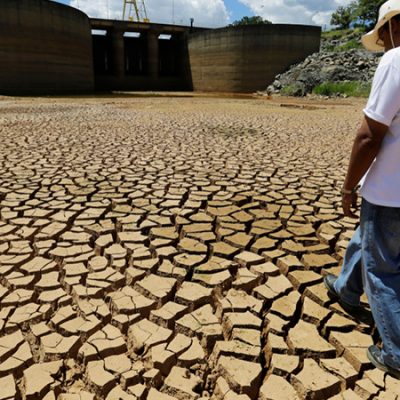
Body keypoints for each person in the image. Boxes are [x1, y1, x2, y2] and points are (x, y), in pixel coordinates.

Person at [324, 0, 400, 379]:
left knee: (383, 269)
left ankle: (397, 351)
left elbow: (370, 135)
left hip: (390, 192)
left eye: (383, 33)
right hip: (391, 198)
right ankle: (345, 289)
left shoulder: (395, 61)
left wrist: (348, 186)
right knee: (368, 239)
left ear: (392, 28)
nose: (383, 42)